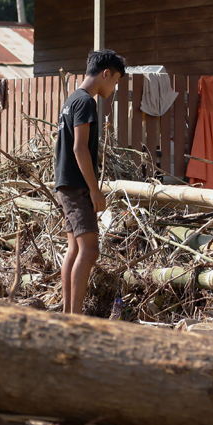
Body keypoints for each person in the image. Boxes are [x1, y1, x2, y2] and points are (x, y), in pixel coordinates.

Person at [55, 49, 127, 315]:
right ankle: (74, 318)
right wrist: (95, 190)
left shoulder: (71, 99)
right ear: (105, 73)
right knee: (90, 249)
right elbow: (79, 149)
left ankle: (67, 315)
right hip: (77, 185)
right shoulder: (86, 102)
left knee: (75, 247)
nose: (115, 87)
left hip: (65, 183)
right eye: (116, 80)